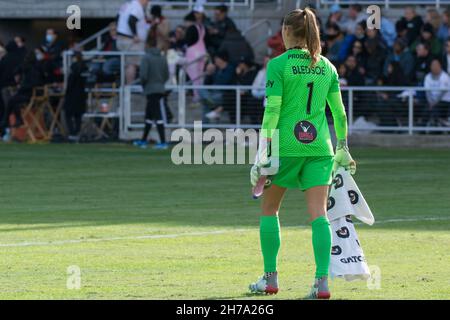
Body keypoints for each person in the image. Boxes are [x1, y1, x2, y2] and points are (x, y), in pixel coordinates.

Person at [249, 8, 355, 299]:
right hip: (320, 148)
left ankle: (270, 280)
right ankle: (321, 282)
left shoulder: (278, 65)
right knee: (319, 215)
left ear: (287, 32)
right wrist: (343, 146)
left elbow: (272, 112)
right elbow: (340, 114)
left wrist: (263, 151)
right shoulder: (328, 67)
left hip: (286, 148)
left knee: (269, 210)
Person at [133, 30, 169, 150]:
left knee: (157, 115)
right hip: (160, 88)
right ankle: (143, 140)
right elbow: (166, 75)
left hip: (150, 89)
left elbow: (143, 75)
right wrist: (160, 83)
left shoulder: (146, 58)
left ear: (147, 45)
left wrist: (145, 85)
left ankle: (163, 141)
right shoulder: (162, 58)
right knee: (149, 115)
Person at [116, 0, 150, 84]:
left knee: (127, 65)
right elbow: (131, 20)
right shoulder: (137, 6)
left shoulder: (127, 5)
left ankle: (127, 86)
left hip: (122, 38)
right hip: (130, 40)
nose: (148, 2)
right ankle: (129, 87)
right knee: (132, 64)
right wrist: (135, 35)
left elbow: (118, 18)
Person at [64, 51, 87, 141]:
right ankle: (77, 132)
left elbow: (70, 83)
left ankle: (72, 132)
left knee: (68, 114)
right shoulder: (85, 68)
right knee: (78, 116)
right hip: (81, 94)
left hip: (72, 94)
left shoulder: (73, 69)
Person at [423, 59, 450, 125]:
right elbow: (427, 92)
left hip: (444, 101)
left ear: (440, 66)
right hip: (431, 101)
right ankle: (421, 129)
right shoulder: (427, 77)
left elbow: (442, 93)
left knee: (435, 110)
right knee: (425, 110)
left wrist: (434, 103)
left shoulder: (445, 77)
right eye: (433, 65)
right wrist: (430, 102)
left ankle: (437, 128)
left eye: (436, 65)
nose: (434, 67)